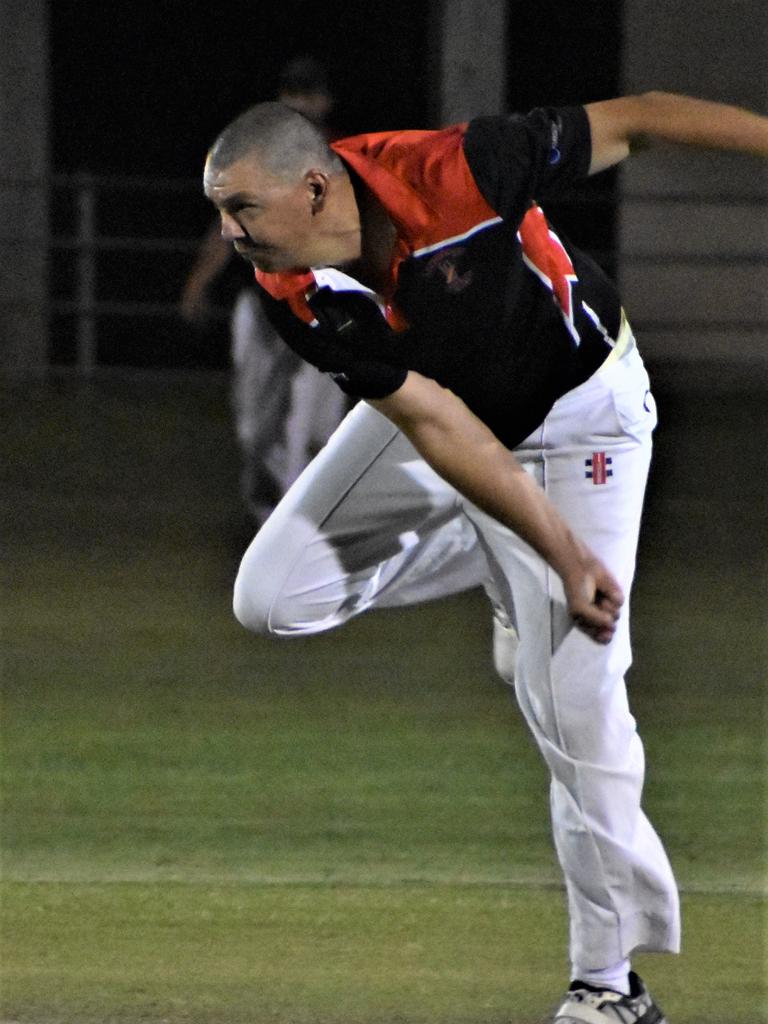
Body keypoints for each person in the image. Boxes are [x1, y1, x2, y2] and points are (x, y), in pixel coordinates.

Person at [201, 91, 768, 1022]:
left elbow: (650, 115)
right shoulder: (291, 283)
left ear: (313, 188)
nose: (229, 234)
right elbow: (432, 420)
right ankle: (511, 556)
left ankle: (608, 989)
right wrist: (550, 545)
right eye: (220, 211)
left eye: (241, 209)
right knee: (272, 595)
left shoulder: (456, 171)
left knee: (577, 707)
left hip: (584, 418)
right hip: (453, 417)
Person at [180, 57, 347, 526]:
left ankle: (295, 531)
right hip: (261, 305)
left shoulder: (340, 158)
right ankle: (277, 525)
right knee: (259, 426)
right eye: (291, 91)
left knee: (312, 429)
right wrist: (198, 281)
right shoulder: (255, 152)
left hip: (320, 307)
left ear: (325, 101)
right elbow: (226, 227)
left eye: (308, 93)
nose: (298, 102)